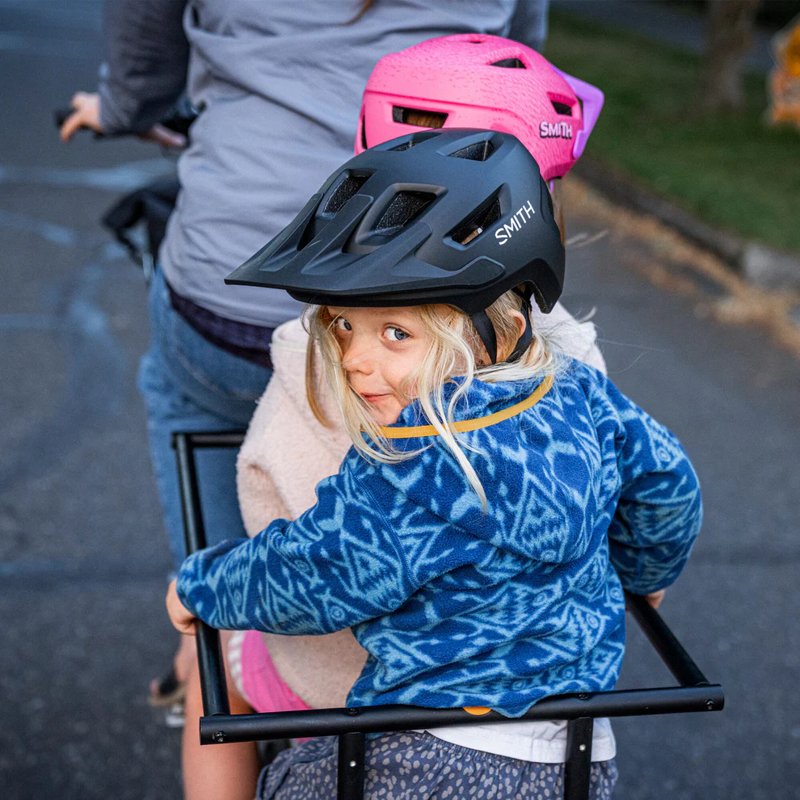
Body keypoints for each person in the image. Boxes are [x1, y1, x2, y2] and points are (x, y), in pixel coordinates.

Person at [168, 129, 702, 800]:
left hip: (427, 759)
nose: (358, 360)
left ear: (499, 326)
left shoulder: (420, 459)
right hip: (577, 756)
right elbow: (667, 484)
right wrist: (643, 574)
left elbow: (316, 571)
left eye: (396, 333)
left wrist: (202, 586)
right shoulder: (583, 394)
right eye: (342, 326)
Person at [58, 0, 554, 715]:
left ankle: (211, 623)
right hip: (451, 273)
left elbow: (145, 63)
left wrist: (119, 105)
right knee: (435, 426)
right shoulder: (579, 396)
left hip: (236, 286)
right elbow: (513, 66)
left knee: (184, 386)